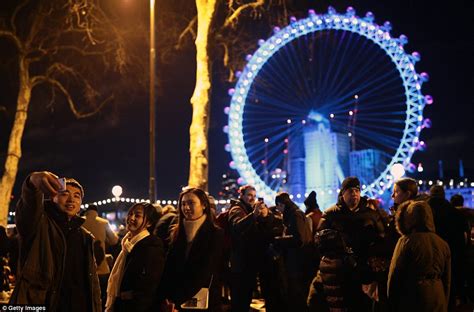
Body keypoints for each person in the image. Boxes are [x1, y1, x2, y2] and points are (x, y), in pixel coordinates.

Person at [9, 171, 101, 311]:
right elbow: (29, 206)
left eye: (77, 196)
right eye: (64, 194)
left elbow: (92, 282)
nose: (71, 199)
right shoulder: (39, 224)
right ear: (53, 197)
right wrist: (32, 182)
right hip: (43, 304)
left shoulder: (85, 237)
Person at [316, 176, 385, 311]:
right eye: (350, 191)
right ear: (343, 193)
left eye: (357, 191)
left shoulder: (371, 214)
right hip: (341, 272)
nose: (354, 194)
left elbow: (381, 238)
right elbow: (319, 241)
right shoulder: (331, 214)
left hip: (364, 271)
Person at [159, 187, 224, 311]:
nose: (186, 208)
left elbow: (204, 272)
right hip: (174, 302)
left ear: (204, 205)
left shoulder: (215, 234)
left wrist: (176, 299)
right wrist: (166, 298)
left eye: (191, 203)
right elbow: (168, 267)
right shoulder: (176, 232)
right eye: (183, 204)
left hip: (203, 301)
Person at [387, 200, 451, 312]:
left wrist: (392, 301)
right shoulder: (442, 243)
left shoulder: (406, 241)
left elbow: (395, 274)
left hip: (413, 294)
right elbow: (447, 279)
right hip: (437, 294)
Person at [228, 185, 278, 312]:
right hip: (241, 263)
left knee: (246, 297)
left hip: (250, 262)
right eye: (249, 195)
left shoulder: (249, 209)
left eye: (254, 196)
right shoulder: (236, 209)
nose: (252, 198)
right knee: (240, 299)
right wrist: (253, 215)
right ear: (241, 195)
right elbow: (237, 227)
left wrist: (266, 215)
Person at [106, 202, 164, 312]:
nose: (131, 218)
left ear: (149, 223)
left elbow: (149, 285)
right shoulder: (126, 244)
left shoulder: (151, 246)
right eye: (130, 214)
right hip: (121, 304)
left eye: (137, 215)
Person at [428, 185, 468, 310]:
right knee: (451, 284)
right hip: (452, 252)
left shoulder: (426, 211)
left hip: (431, 252)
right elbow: (463, 236)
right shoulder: (456, 213)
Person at [274, 192, 313, 312]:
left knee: (296, 293)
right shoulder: (296, 213)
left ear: (281, 205)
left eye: (278, 207)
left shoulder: (294, 215)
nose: (278, 211)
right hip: (298, 260)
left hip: (296, 262)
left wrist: (279, 240)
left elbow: (299, 239)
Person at [82, 204, 119, 309]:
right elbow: (114, 240)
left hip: (83, 268)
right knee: (101, 297)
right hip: (101, 268)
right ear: (96, 212)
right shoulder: (104, 222)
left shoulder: (79, 221)